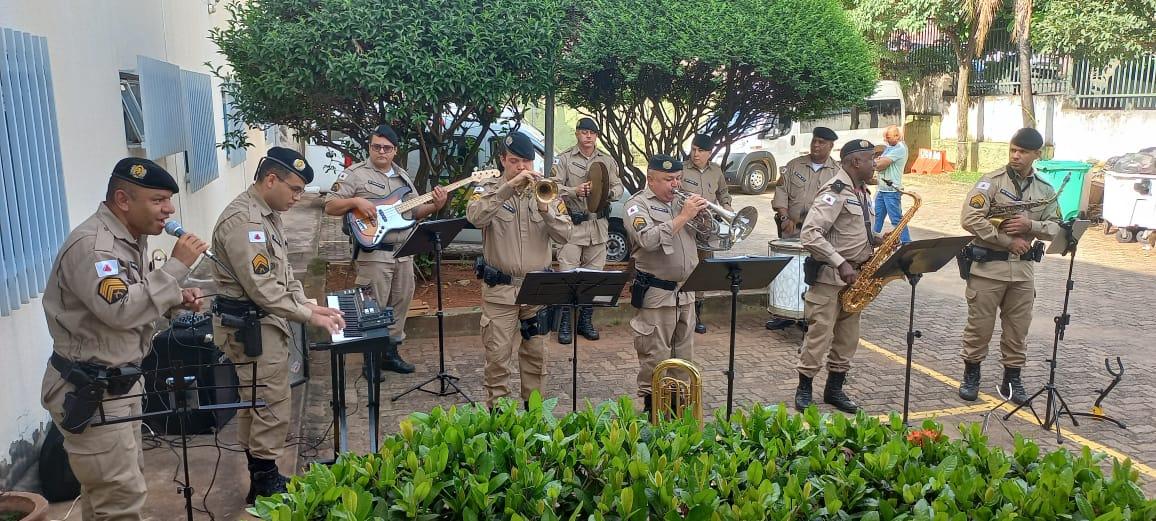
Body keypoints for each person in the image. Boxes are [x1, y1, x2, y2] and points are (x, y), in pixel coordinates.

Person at [40, 158, 209, 520]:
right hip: (92, 390)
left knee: (114, 493)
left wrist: (175, 299)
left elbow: (130, 299)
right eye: (158, 199)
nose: (169, 209)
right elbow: (120, 311)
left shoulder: (129, 238)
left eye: (169, 200)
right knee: (119, 500)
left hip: (119, 385)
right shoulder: (94, 247)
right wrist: (175, 268)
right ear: (123, 199)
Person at [210, 147, 346, 502]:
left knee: (258, 401)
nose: (298, 197)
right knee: (270, 403)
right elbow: (263, 289)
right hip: (251, 327)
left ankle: (262, 475)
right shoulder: (246, 223)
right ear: (271, 179)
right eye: (295, 189)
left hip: (264, 322)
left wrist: (305, 303)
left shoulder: (267, 214)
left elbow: (284, 274)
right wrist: (308, 314)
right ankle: (265, 483)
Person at [324, 124, 448, 373]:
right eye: (376, 146)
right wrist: (356, 201)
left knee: (400, 303)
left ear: (395, 151)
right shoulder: (355, 174)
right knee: (373, 306)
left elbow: (413, 212)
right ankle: (371, 360)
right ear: (370, 147)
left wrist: (435, 205)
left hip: (403, 252)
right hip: (374, 253)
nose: (381, 151)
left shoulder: (402, 177)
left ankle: (389, 353)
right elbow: (330, 205)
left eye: (387, 148)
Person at [466, 132, 572, 408]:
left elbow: (566, 235)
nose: (522, 168)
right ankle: (499, 420)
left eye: (527, 162)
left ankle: (534, 414)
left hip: (537, 290)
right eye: (515, 161)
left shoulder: (547, 190)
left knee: (537, 358)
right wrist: (506, 190)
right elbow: (475, 217)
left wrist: (546, 210)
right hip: (501, 291)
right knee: (498, 359)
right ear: (503, 160)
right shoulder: (487, 188)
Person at [956, 127, 1061, 405]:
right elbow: (970, 218)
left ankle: (1011, 379)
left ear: (1037, 154)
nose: (1015, 156)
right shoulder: (990, 182)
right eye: (1013, 150)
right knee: (980, 327)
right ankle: (971, 375)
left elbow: (1056, 227)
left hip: (1023, 273)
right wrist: (1005, 241)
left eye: (1023, 152)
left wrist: (1031, 225)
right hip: (988, 269)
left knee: (1018, 329)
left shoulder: (1045, 189)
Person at [793, 139, 879, 414]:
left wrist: (878, 240)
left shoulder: (862, 191)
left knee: (847, 338)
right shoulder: (835, 191)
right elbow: (810, 234)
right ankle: (804, 387)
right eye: (870, 159)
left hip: (856, 279)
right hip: (831, 277)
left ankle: (834, 389)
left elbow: (852, 231)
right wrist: (841, 262)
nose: (875, 163)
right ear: (856, 162)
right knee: (819, 335)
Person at [623, 154, 707, 414]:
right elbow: (647, 239)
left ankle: (679, 410)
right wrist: (683, 216)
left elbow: (708, 239)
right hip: (657, 293)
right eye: (668, 179)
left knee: (683, 358)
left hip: (686, 293)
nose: (675, 185)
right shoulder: (637, 205)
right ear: (651, 179)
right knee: (656, 358)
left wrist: (703, 219)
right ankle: (653, 412)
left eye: (679, 179)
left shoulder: (681, 203)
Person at [553, 117, 623, 344]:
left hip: (598, 226)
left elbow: (618, 186)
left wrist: (607, 193)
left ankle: (585, 322)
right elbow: (552, 187)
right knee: (567, 276)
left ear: (597, 136)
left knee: (593, 278)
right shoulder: (564, 158)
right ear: (577, 134)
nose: (588, 136)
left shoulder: (607, 160)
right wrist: (574, 190)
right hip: (573, 226)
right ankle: (565, 323)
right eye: (584, 132)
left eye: (592, 133)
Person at [767, 126, 840, 330]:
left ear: (831, 146)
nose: (816, 145)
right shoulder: (794, 165)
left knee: (814, 272)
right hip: (791, 228)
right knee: (789, 270)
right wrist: (784, 217)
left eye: (821, 142)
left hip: (820, 233)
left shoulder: (837, 172)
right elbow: (781, 191)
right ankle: (787, 313)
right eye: (814, 141)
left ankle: (809, 315)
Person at [681, 133, 733, 334]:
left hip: (707, 229)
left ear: (709, 153)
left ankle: (698, 314)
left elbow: (723, 193)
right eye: (693, 149)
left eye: (700, 151)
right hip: (687, 227)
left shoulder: (716, 171)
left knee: (702, 270)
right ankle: (683, 313)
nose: (695, 154)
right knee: (686, 267)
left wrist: (727, 210)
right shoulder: (683, 170)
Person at [872, 125, 912, 243]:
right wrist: (878, 161)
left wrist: (877, 161)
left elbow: (878, 165)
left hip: (892, 191)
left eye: (888, 137)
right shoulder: (889, 147)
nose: (885, 140)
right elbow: (878, 162)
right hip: (882, 189)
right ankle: (871, 240)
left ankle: (905, 243)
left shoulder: (900, 148)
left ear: (897, 136)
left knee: (896, 219)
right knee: (876, 217)